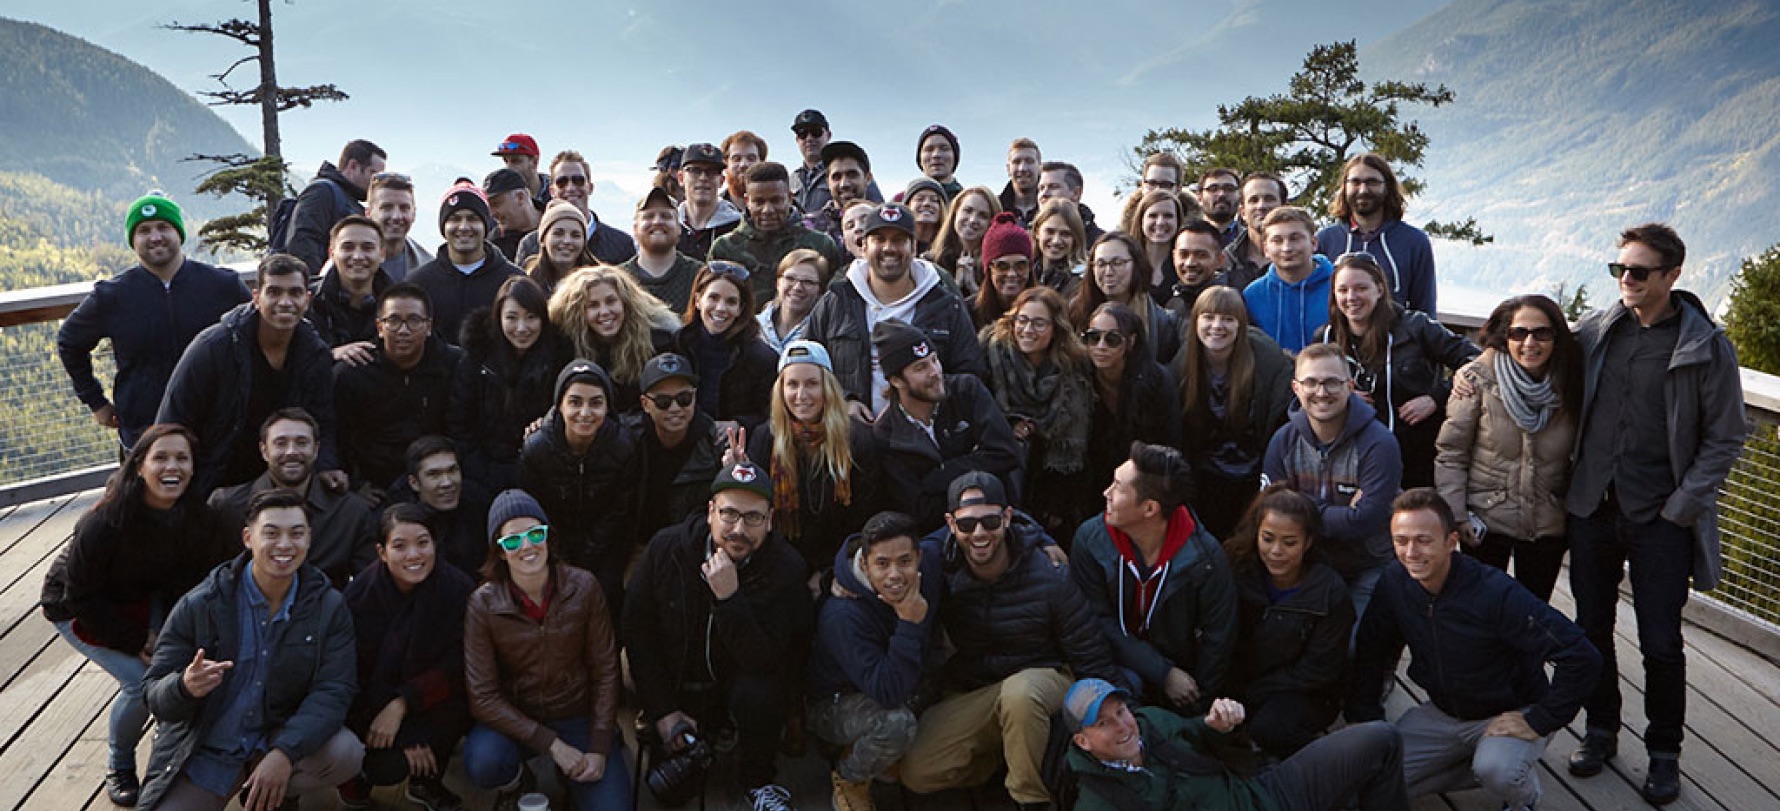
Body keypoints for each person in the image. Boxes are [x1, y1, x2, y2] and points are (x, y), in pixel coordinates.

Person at [1562, 223, 1747, 805]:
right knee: (1589, 628)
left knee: (1661, 642)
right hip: (1591, 506)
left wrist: (1680, 508)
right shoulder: (1596, 329)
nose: (1625, 280)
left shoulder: (1707, 347)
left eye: (1638, 272)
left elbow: (1726, 437)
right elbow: (1530, 352)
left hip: (1660, 518)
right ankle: (1601, 730)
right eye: (1618, 269)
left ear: (1672, 275)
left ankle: (1664, 753)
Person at [1348, 489, 1600, 811]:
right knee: (1373, 782)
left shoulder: (1495, 592)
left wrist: (1539, 719)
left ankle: (1522, 795)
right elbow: (1372, 648)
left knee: (1498, 771)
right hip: (1442, 712)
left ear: (1451, 541)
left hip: (1508, 710)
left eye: (1423, 540)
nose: (1411, 552)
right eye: (1401, 540)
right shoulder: (1395, 582)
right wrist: (1363, 715)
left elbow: (1581, 655)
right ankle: (1477, 759)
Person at [900, 472, 1116, 810]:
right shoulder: (941, 567)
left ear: (1008, 518)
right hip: (980, 689)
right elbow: (885, 559)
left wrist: (1118, 716)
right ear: (950, 525)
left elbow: (1091, 654)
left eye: (990, 521)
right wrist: (837, 579)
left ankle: (1031, 801)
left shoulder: (1049, 573)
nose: (980, 534)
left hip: (1045, 679)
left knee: (1021, 693)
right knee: (918, 771)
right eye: (967, 525)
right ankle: (1004, 758)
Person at [137, 489, 364, 811]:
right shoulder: (202, 603)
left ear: (309, 539)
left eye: (296, 533)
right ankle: (252, 787)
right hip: (209, 748)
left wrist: (283, 753)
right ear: (247, 537)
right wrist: (184, 687)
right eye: (271, 533)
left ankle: (272, 787)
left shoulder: (329, 606)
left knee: (347, 754)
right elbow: (153, 693)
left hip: (276, 739)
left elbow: (334, 690)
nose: (285, 545)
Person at [40, 424, 228, 807]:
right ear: (138, 466)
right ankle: (120, 764)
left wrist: (178, 635)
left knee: (177, 668)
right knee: (142, 684)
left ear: (193, 468)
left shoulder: (195, 516)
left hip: (143, 595)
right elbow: (81, 596)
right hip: (80, 605)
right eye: (160, 457)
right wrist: (135, 639)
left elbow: (191, 583)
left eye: (182, 458)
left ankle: (173, 749)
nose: (171, 466)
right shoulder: (104, 523)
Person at [624, 462, 813, 811]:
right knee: (669, 792)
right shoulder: (667, 549)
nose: (739, 529)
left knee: (761, 693)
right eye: (729, 514)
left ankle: (758, 781)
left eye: (753, 518)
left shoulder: (786, 569)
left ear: (770, 520)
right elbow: (638, 634)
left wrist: (730, 600)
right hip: (675, 678)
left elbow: (768, 659)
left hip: (739, 683)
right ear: (710, 512)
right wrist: (664, 710)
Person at [464, 489, 631, 811]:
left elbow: (606, 670)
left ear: (548, 537)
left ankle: (589, 763)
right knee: (483, 762)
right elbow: (482, 696)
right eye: (512, 541)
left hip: (577, 713)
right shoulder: (481, 605)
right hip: (517, 717)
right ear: (499, 551)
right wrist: (552, 745)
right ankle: (518, 781)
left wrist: (598, 745)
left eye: (535, 534)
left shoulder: (585, 587)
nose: (526, 546)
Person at [58, 192, 249, 449]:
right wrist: (96, 402)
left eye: (163, 227)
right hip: (144, 435)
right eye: (144, 230)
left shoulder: (223, 286)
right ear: (132, 240)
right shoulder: (112, 296)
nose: (155, 237)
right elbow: (69, 341)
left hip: (215, 431)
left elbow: (255, 336)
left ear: (178, 232)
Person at [1064, 678, 1409, 811]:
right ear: (1083, 741)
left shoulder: (1151, 721)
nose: (1122, 726)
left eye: (1121, 711)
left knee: (1381, 738)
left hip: (1266, 793)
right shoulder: (1096, 804)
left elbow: (1199, 731)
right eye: (1103, 723)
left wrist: (1218, 725)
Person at [1072, 442, 1237, 716]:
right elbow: (1094, 621)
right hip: (1116, 669)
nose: (1106, 493)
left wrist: (1199, 703)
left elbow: (1219, 638)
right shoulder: (1090, 541)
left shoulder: (1206, 558)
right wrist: (1162, 672)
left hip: (1186, 680)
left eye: (1118, 487)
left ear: (1149, 508)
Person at [1435, 295, 1580, 602]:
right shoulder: (1477, 381)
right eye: (1519, 333)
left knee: (1531, 617)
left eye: (1542, 333)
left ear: (1556, 337)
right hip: (1485, 522)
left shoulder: (1573, 385)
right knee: (1480, 613)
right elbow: (1451, 453)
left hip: (1547, 523)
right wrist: (1456, 516)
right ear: (1505, 337)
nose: (1530, 342)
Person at [158, 253, 342, 496]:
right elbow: (173, 421)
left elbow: (322, 420)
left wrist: (327, 466)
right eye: (274, 292)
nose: (285, 302)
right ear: (256, 297)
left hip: (283, 481)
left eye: (295, 293)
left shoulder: (314, 353)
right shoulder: (214, 347)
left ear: (307, 300)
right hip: (215, 482)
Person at [338, 504, 475, 811]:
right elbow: (349, 675)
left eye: (423, 543)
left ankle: (426, 779)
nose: (414, 555)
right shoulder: (358, 598)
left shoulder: (458, 589)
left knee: (462, 700)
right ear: (382, 552)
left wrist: (403, 703)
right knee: (386, 766)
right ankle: (357, 777)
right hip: (371, 710)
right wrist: (398, 731)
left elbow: (458, 664)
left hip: (429, 702)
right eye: (400, 546)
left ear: (435, 544)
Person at [808, 511, 943, 811]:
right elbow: (888, 692)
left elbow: (968, 525)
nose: (895, 574)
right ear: (866, 566)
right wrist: (910, 623)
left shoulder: (931, 559)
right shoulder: (842, 615)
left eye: (904, 561)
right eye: (882, 564)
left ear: (919, 557)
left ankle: (886, 757)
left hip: (902, 677)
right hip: (836, 701)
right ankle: (849, 777)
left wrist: (1039, 536)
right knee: (896, 725)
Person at [804, 203, 987, 419]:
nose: (889, 248)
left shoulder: (945, 305)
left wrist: (922, 405)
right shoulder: (836, 301)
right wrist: (843, 401)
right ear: (864, 247)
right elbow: (807, 365)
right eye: (879, 239)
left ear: (914, 248)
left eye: (899, 240)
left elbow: (970, 377)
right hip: (851, 438)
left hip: (925, 440)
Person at [1264, 343, 1402, 622]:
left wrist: (1302, 509)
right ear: (1296, 388)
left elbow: (1366, 519)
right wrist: (1343, 513)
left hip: (1369, 564)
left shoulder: (1379, 444)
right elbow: (1273, 512)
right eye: (1311, 382)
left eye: (1332, 383)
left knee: (1354, 649)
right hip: (1308, 562)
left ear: (1350, 386)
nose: (1322, 392)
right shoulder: (1283, 441)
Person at [1318, 251, 1478, 489]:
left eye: (1361, 288)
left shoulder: (1416, 327)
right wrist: (1342, 395)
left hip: (1417, 456)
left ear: (1379, 290)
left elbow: (1475, 360)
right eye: (1343, 290)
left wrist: (1436, 397)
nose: (1351, 297)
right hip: (1355, 458)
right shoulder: (1326, 337)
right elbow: (1310, 386)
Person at [1221, 485, 1352, 758]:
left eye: (1289, 542)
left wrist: (1253, 694)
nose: (1276, 551)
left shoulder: (1330, 592)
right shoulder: (1237, 571)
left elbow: (1319, 669)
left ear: (1308, 542)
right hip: (1242, 680)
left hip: (1303, 690)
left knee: (1271, 728)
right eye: (1268, 539)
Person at [741, 341, 880, 572]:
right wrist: (739, 477)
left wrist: (829, 572)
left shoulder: (857, 440)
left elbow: (865, 517)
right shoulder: (766, 437)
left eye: (812, 384)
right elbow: (758, 515)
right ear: (781, 389)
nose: (801, 395)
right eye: (792, 384)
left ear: (828, 387)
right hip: (779, 562)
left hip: (840, 561)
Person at [869, 320, 1021, 528]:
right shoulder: (887, 434)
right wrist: (977, 462)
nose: (934, 372)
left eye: (934, 360)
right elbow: (919, 509)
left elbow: (1007, 454)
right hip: (936, 534)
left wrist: (943, 474)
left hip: (999, 521)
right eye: (920, 368)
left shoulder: (967, 390)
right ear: (896, 380)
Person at [519, 360, 639, 620]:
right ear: (559, 405)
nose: (585, 412)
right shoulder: (537, 449)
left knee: (606, 596)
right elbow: (537, 510)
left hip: (606, 545)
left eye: (595, 403)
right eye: (575, 402)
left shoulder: (623, 446)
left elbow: (620, 510)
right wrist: (562, 555)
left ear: (607, 407)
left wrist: (591, 551)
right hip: (554, 545)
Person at [209, 409, 378, 588]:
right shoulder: (227, 506)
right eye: (280, 443)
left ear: (316, 450)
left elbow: (365, 588)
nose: (291, 451)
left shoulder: (350, 512)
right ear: (264, 450)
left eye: (301, 443)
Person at [1176, 287, 1294, 539]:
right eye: (1208, 317)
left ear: (1240, 325)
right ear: (1195, 321)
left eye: (1228, 319)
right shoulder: (1181, 366)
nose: (1217, 326)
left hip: (1252, 475)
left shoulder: (1265, 364)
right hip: (1204, 480)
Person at [980, 287, 1094, 538]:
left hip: (1053, 481)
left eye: (1039, 323)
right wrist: (1010, 424)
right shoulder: (991, 351)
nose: (1028, 330)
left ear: (1056, 328)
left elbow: (1078, 432)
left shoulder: (1073, 366)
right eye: (1023, 320)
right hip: (1000, 470)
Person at [333, 284, 465, 499]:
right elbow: (337, 436)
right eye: (393, 321)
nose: (403, 330)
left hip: (440, 481)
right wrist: (356, 487)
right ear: (379, 327)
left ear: (428, 326)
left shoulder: (454, 365)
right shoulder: (353, 373)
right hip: (376, 487)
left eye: (414, 321)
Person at [449, 275, 573, 493]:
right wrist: (485, 474)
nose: (522, 328)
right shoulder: (477, 358)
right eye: (512, 318)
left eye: (531, 317)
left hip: (543, 471)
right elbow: (459, 426)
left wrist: (548, 423)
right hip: (484, 473)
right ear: (499, 318)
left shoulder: (559, 358)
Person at [1081, 303, 1181, 516]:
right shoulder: (1078, 380)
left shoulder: (1157, 382)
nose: (1101, 346)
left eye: (1112, 339)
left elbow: (1169, 445)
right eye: (1093, 337)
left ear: (1131, 342)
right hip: (1089, 488)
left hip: (1145, 487)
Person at [547, 265, 680, 415]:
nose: (604, 312)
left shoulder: (658, 341)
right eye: (593, 305)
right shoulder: (564, 345)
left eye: (611, 301)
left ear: (626, 303)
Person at [1316, 153, 1437, 314]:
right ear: (1345, 187)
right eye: (1355, 182)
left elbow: (1425, 309)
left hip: (1394, 337)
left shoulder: (1414, 242)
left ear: (1387, 187)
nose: (1363, 190)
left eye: (1372, 182)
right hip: (1337, 338)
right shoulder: (1325, 240)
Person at [406, 180, 524, 344]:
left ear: (486, 226)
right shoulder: (418, 283)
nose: (463, 227)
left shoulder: (513, 280)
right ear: (443, 227)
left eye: (472, 218)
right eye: (454, 219)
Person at [711, 161, 847, 303]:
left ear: (789, 198)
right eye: (758, 202)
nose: (767, 210)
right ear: (747, 201)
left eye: (776, 201)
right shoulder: (725, 249)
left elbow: (833, 303)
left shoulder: (820, 245)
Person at [628, 353, 728, 544]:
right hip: (635, 544)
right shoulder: (627, 438)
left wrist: (730, 474)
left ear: (695, 396)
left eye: (684, 398)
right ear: (645, 404)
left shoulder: (716, 443)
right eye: (663, 402)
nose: (675, 408)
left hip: (691, 546)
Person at [674, 262, 778, 425]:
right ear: (698, 300)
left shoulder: (762, 358)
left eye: (731, 302)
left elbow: (771, 414)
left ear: (740, 309)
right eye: (713, 298)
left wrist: (739, 424)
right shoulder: (677, 345)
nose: (721, 308)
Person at [383, 436, 493, 578]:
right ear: (414, 483)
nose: (447, 482)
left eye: (452, 470)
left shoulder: (479, 505)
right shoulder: (397, 522)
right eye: (434, 474)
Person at [1070, 232, 1183, 364]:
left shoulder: (1162, 323)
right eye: (1101, 264)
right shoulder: (1075, 313)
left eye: (1117, 263)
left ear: (1136, 265)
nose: (1108, 272)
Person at [515, 150, 636, 267]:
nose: (570, 188)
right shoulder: (530, 244)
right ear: (552, 191)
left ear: (590, 187)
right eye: (562, 182)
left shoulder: (621, 243)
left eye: (578, 180)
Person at [286, 139, 385, 276]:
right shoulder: (322, 191)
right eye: (373, 174)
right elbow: (303, 241)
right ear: (353, 166)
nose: (376, 183)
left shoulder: (345, 199)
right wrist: (316, 284)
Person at [1244, 206, 1334, 354]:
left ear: (1314, 243)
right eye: (1277, 241)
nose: (1286, 248)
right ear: (1266, 249)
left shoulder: (1339, 288)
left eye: (1295, 238)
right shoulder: (1253, 295)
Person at [307, 216, 391, 362]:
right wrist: (330, 355)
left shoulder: (400, 304)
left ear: (382, 254)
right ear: (332, 253)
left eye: (367, 248)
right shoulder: (307, 302)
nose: (358, 256)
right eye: (348, 247)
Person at [625, 185, 706, 314]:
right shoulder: (619, 279)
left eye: (666, 216)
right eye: (649, 216)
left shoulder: (699, 276)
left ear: (679, 228)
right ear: (635, 229)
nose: (657, 221)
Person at [1119, 189, 1198, 303]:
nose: (1160, 222)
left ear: (1178, 221)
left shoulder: (1188, 265)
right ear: (1141, 220)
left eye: (1168, 216)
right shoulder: (1125, 263)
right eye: (1153, 216)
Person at [806, 140, 880, 252]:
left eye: (852, 175)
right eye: (836, 177)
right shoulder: (809, 227)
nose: (844, 184)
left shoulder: (883, 222)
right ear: (828, 182)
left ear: (868, 178)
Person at [926, 186, 1000, 296]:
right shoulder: (930, 263)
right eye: (968, 211)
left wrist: (973, 287)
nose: (973, 220)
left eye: (982, 215)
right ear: (955, 212)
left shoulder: (997, 266)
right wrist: (955, 285)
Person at [675, 142, 743, 260]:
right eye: (695, 170)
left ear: (721, 181)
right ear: (681, 178)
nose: (703, 178)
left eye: (711, 172)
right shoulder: (669, 226)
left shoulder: (739, 229)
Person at [968, 212, 1035, 330]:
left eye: (1020, 266)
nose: (1012, 274)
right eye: (1002, 266)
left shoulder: (1046, 309)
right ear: (989, 269)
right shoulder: (968, 312)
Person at [755, 248, 829, 353]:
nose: (797, 287)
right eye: (790, 278)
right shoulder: (753, 327)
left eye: (808, 282)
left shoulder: (823, 332)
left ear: (820, 290)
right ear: (778, 283)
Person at [1225, 172, 1286, 292]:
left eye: (1269, 199)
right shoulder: (1226, 261)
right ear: (1242, 212)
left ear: (1284, 207)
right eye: (1253, 200)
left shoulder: (1301, 257)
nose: (1261, 206)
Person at [365, 172, 432, 282]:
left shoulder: (427, 267)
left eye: (404, 208)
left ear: (414, 214)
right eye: (387, 207)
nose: (396, 216)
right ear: (368, 214)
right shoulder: (347, 263)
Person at [1162, 219, 1233, 318]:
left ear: (1220, 260)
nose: (1190, 263)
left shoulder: (1231, 304)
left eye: (1201, 255)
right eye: (1183, 254)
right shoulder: (1172, 304)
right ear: (1174, 257)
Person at [522, 200, 597, 294]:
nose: (567, 241)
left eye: (575, 235)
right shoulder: (527, 283)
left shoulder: (599, 282)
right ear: (543, 239)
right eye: (558, 234)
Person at [1035, 162, 1106, 243]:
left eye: (1053, 187)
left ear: (1076, 193)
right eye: (1041, 188)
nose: (1044, 194)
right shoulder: (1026, 240)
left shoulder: (1101, 244)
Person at [1031, 200, 1089, 294]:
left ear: (1076, 238)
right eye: (1050, 231)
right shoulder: (1025, 273)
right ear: (1037, 232)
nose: (1056, 241)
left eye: (1065, 234)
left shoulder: (1082, 281)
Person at [484, 167, 539, 261]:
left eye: (496, 204)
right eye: (489, 206)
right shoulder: (494, 246)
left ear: (520, 197)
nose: (492, 213)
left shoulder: (558, 223)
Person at [791, 109, 835, 215]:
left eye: (816, 132)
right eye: (803, 134)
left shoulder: (846, 173)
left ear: (828, 135)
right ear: (797, 139)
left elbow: (876, 208)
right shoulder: (791, 179)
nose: (809, 138)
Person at [998, 138, 1043, 226]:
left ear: (1039, 167)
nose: (1022, 168)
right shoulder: (995, 209)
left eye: (1029, 161)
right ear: (1008, 169)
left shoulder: (1053, 209)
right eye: (1016, 162)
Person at [721, 130, 769, 210]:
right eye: (736, 159)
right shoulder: (712, 211)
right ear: (726, 164)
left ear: (762, 163)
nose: (743, 164)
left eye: (751, 158)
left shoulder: (779, 210)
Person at [1196, 167, 1244, 245]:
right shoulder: (1182, 238)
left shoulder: (1253, 242)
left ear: (1239, 196)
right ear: (1199, 197)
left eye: (1229, 188)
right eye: (1213, 189)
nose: (1221, 194)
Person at [915, 124, 964, 199]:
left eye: (944, 149)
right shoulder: (901, 201)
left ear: (955, 157)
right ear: (920, 158)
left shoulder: (967, 204)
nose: (936, 155)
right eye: (929, 149)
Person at [903, 177, 948, 254]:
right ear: (907, 206)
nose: (927, 203)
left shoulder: (951, 247)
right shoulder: (897, 245)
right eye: (920, 199)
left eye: (934, 200)